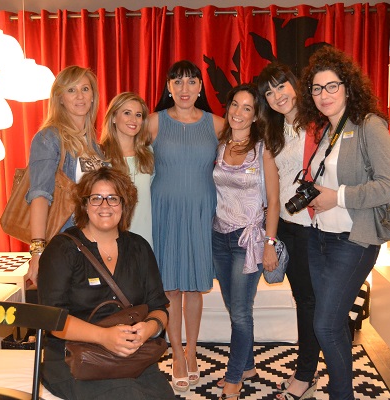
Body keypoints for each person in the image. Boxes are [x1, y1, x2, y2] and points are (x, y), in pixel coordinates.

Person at [296, 46, 390, 400]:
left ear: (348, 87)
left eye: (332, 86)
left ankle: (342, 395)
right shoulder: (328, 129)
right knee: (333, 322)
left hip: (353, 241)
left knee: (325, 325)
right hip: (320, 238)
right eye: (316, 88)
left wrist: (337, 196)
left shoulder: (370, 125)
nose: (324, 94)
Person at [37, 166, 174, 400]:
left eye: (113, 198)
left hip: (130, 356)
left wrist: (148, 329)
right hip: (74, 358)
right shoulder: (61, 249)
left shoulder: (139, 248)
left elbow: (158, 308)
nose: (105, 205)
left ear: (124, 204)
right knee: (126, 395)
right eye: (96, 198)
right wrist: (104, 337)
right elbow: (53, 320)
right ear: (84, 204)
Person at [148, 60, 224, 392]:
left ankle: (192, 351)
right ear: (168, 87)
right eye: (177, 82)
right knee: (170, 289)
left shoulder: (217, 124)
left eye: (191, 81)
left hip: (201, 212)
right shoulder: (153, 122)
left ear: (200, 87)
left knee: (193, 287)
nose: (184, 88)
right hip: (163, 212)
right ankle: (176, 354)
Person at [257, 62, 321, 400]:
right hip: (287, 225)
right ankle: (306, 369)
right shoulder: (275, 131)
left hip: (313, 227)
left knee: (310, 302)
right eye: (269, 92)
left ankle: (305, 376)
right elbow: (274, 189)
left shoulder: (318, 124)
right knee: (304, 299)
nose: (277, 95)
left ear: (295, 85)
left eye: (281, 86)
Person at [212, 84, 279, 400]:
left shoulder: (263, 150)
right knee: (233, 306)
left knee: (240, 312)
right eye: (235, 105)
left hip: (248, 241)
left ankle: (234, 378)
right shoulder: (220, 145)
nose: (238, 112)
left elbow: (274, 201)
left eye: (247, 108)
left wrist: (269, 243)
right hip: (218, 237)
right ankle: (248, 365)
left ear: (255, 116)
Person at [25, 65, 105, 286]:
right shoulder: (49, 138)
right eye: (71, 90)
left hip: (95, 246)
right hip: (66, 244)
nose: (80, 96)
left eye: (85, 89)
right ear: (60, 98)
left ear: (93, 95)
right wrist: (37, 252)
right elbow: (39, 195)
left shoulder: (95, 145)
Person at [100, 92, 154, 248]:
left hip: (144, 239)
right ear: (114, 117)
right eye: (127, 113)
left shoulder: (148, 154)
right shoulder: (101, 155)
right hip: (111, 240)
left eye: (138, 115)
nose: (133, 120)